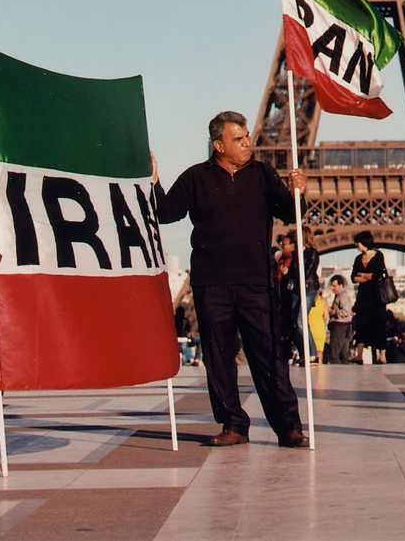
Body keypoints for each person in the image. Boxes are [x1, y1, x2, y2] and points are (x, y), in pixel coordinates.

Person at [151, 111, 310, 448]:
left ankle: (288, 426)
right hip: (211, 283)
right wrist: (152, 181)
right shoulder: (196, 177)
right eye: (239, 139)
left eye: (248, 136)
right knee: (218, 357)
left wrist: (298, 193)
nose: (248, 143)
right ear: (218, 145)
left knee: (269, 357)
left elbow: (289, 213)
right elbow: (166, 213)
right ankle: (233, 423)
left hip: (255, 281)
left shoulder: (264, 174)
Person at [278, 227, 320, 365]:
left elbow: (307, 272)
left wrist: (292, 273)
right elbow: (294, 272)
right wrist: (287, 271)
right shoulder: (296, 254)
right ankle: (305, 353)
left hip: (308, 289)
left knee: (301, 321)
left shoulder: (312, 253)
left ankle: (312, 354)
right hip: (296, 289)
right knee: (297, 322)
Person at [350, 230, 388, 364]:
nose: (356, 244)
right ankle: (359, 355)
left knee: (379, 324)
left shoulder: (378, 255)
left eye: (358, 242)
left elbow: (378, 276)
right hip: (363, 297)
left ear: (364, 242)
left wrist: (362, 275)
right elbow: (353, 278)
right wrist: (369, 277)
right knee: (361, 324)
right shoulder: (357, 258)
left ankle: (382, 356)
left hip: (376, 296)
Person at [327, 275, 354, 364]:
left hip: (340, 327)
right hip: (344, 327)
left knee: (334, 354)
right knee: (344, 354)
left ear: (341, 285)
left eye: (334, 286)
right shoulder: (339, 295)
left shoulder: (342, 295)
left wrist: (333, 312)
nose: (332, 288)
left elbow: (346, 311)